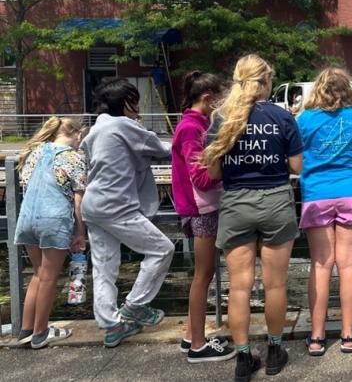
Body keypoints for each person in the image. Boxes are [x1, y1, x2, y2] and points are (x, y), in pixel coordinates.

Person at [203, 55, 303, 380]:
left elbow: (214, 170)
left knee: (239, 287)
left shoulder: (221, 117)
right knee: (275, 284)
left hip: (236, 202)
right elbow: (297, 167)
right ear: (266, 82)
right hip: (275, 198)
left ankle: (244, 358)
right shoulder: (282, 117)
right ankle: (274, 350)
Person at [81, 77, 175, 348]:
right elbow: (161, 149)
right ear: (125, 103)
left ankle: (111, 327)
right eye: (134, 101)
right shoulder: (124, 125)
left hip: (93, 205)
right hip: (117, 205)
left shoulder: (96, 129)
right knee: (162, 248)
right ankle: (135, 306)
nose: (137, 107)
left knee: (104, 268)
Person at [296, 67, 352, 356]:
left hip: (316, 194)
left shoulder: (305, 118)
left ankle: (317, 336)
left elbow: (293, 156)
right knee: (348, 264)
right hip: (351, 192)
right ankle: (347, 333)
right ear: (348, 88)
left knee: (321, 265)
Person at [171, 71, 234, 363]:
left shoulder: (193, 125)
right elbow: (201, 177)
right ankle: (198, 344)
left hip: (200, 207)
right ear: (207, 98)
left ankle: (190, 335)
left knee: (203, 274)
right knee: (203, 275)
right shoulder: (191, 128)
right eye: (220, 101)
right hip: (202, 208)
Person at [14, 117, 86, 348]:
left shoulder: (34, 153)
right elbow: (78, 200)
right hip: (53, 220)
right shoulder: (74, 157)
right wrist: (80, 232)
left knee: (37, 274)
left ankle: (26, 330)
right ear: (75, 134)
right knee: (48, 277)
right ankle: (41, 333)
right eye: (80, 137)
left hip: (27, 219)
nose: (80, 141)